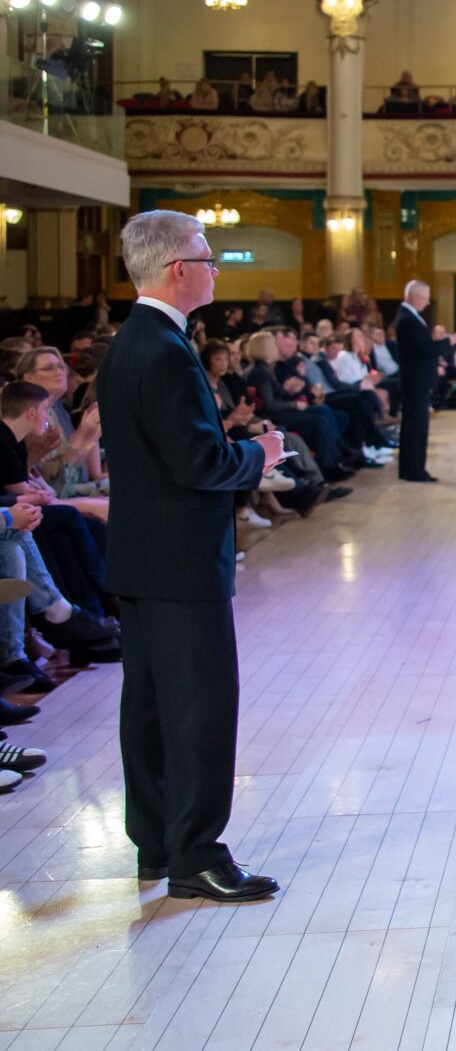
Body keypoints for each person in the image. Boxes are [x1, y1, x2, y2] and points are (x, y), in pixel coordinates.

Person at [99, 211, 286, 901]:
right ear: (181, 269)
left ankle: (156, 841)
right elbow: (199, 460)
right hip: (180, 559)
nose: (214, 269)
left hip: (142, 556)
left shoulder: (131, 343)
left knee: (148, 703)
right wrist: (257, 455)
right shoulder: (166, 350)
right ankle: (197, 854)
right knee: (202, 705)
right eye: (209, 258)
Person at [393, 281, 437, 483]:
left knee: (414, 426)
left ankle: (411, 469)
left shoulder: (410, 317)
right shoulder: (407, 320)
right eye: (424, 297)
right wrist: (447, 344)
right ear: (413, 296)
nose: (427, 302)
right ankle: (414, 470)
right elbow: (424, 349)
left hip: (416, 380)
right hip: (415, 381)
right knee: (415, 427)